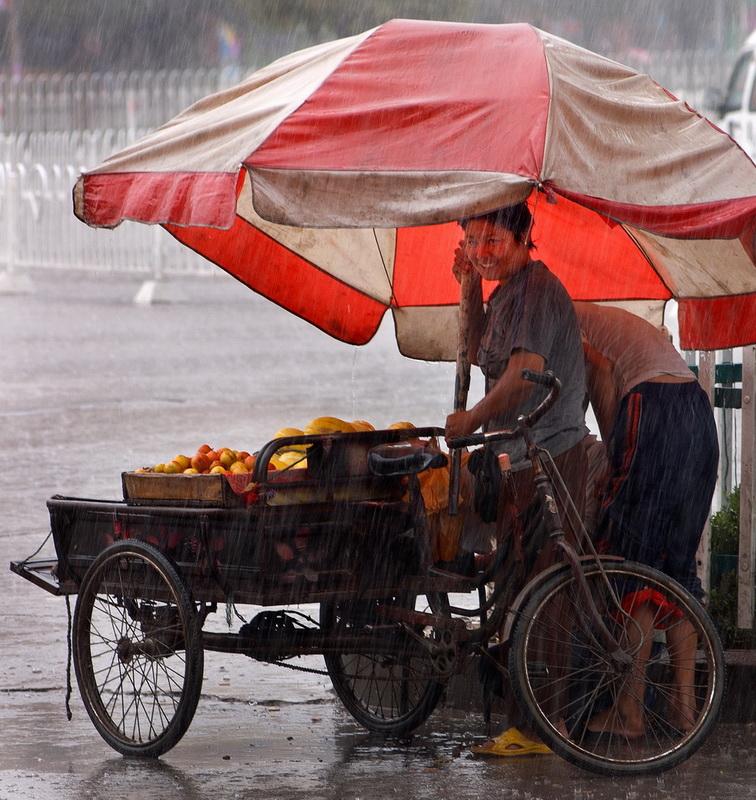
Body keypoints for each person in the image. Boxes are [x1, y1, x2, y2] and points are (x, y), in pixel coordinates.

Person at [444, 202, 589, 755]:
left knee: (540, 593)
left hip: (548, 461)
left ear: (524, 237)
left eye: (493, 241)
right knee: (515, 588)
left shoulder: (536, 290)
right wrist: (468, 287)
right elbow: (480, 349)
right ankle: (527, 723)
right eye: (473, 241)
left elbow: (524, 376)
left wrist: (472, 420)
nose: (482, 252)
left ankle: (538, 729)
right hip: (518, 461)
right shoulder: (506, 292)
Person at [575, 302, 719, 737]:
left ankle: (629, 712)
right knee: (674, 566)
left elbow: (600, 370)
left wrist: (613, 457)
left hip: (652, 408)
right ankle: (685, 711)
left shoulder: (561, 319)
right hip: (696, 413)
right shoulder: (604, 320)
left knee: (630, 562)